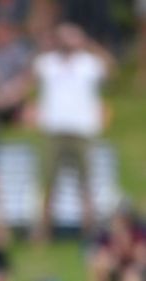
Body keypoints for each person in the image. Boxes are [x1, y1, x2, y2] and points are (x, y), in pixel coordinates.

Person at [32, 22, 114, 240]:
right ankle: (43, 230)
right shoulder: (48, 63)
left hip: (82, 130)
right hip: (54, 130)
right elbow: (32, 72)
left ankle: (89, 231)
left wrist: (90, 45)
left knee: (85, 183)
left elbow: (110, 69)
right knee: (49, 181)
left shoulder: (89, 63)